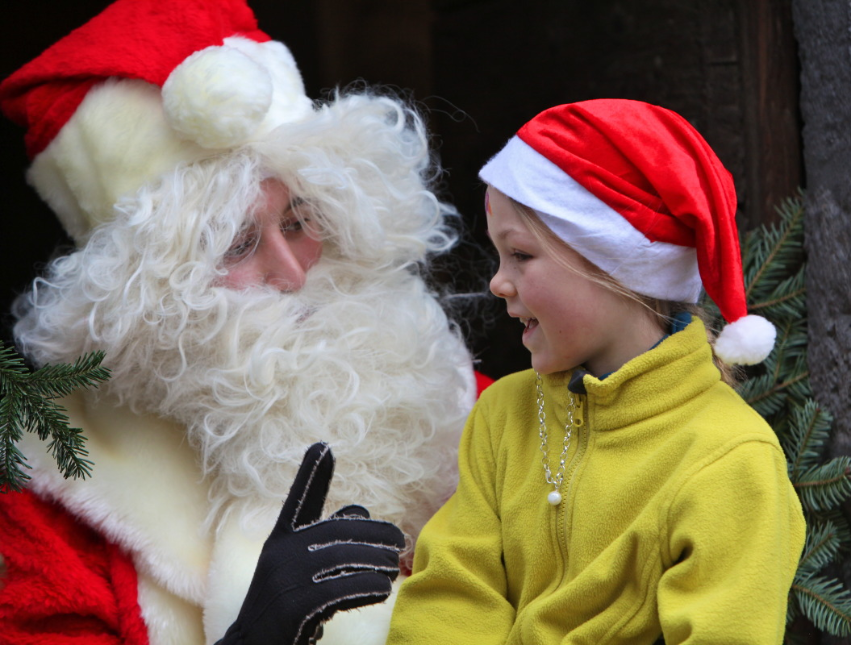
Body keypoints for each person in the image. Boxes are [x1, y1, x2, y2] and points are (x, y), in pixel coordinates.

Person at [0, 0, 482, 643]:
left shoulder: (473, 409)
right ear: (138, 299)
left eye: (300, 220)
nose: (291, 273)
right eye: (235, 245)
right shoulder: (54, 510)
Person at [386, 99, 807, 644]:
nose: (497, 282)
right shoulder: (504, 416)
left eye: (520, 255)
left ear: (614, 265)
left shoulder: (728, 461)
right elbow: (453, 597)